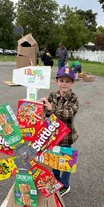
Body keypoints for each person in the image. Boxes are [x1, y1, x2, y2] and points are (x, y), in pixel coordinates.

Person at [40, 66, 79, 196]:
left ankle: (65, 185)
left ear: (72, 83)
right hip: (53, 136)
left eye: (67, 81)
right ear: (56, 81)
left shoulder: (74, 98)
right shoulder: (52, 96)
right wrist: (41, 105)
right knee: (55, 161)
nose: (64, 84)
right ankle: (56, 181)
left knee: (66, 162)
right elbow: (47, 113)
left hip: (67, 136)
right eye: (61, 80)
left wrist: (52, 109)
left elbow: (68, 113)